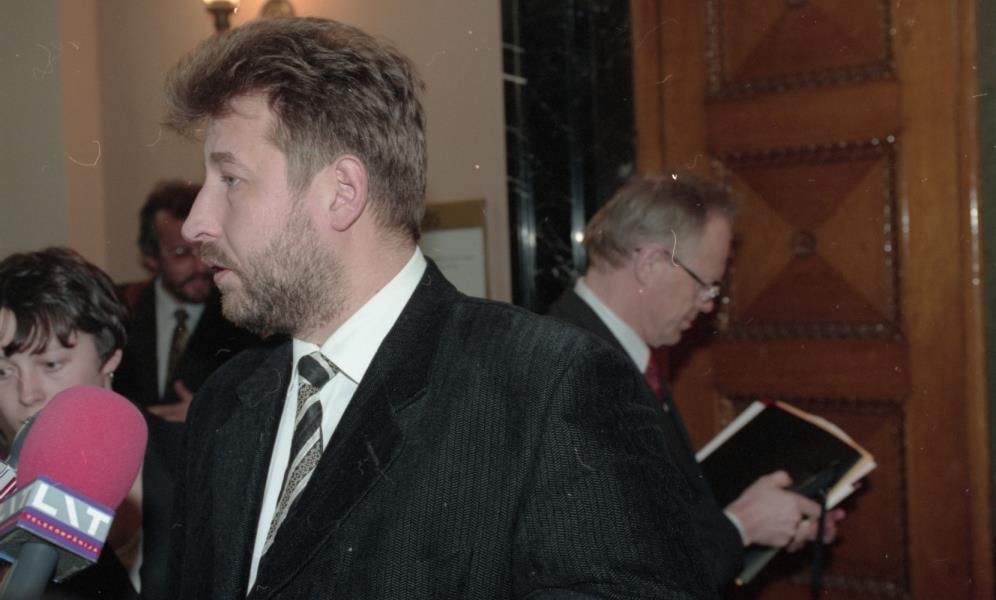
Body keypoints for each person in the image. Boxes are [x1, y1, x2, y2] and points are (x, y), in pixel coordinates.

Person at [164, 17, 713, 599]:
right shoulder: (225, 403)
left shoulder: (548, 387)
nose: (197, 222)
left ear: (342, 192)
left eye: (230, 179)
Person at [547, 172, 847, 593]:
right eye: (704, 286)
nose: (708, 306)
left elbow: (652, 512)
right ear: (650, 264)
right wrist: (742, 525)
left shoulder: (614, 349)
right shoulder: (573, 371)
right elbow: (619, 565)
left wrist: (769, 518)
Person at [0, 247, 139, 599]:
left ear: (109, 357)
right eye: (3, 372)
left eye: (51, 364)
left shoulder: (196, 458)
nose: (27, 394)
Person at [112, 180, 257, 423]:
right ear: (151, 258)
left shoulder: (246, 313)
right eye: (181, 254)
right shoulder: (121, 307)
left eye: (205, 249)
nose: (201, 266)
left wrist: (206, 413)